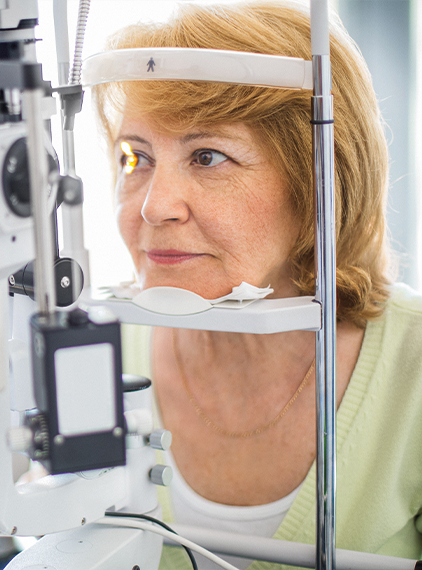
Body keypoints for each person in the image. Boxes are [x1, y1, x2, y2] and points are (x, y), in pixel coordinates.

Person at [93, 1, 422, 569]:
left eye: (207, 156)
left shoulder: (411, 366)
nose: (153, 206)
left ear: (320, 182)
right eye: (135, 157)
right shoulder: (93, 347)